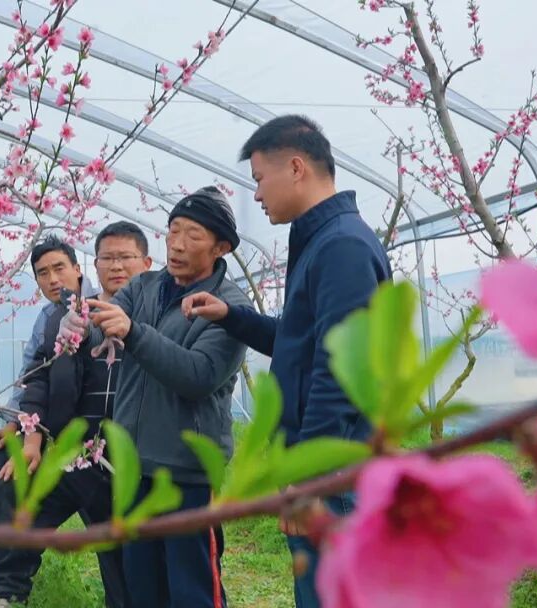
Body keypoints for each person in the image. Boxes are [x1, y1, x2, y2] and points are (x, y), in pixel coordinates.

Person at [182, 115, 392, 608]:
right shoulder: (322, 240)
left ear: (296, 168)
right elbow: (301, 343)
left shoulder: (341, 246)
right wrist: (232, 316)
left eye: (259, 178)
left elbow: (339, 371)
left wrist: (310, 476)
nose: (256, 194)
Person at [82, 187, 252, 608]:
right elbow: (105, 327)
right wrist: (84, 323)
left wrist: (133, 333)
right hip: (133, 468)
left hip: (186, 474)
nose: (176, 244)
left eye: (192, 235)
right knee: (143, 588)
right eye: (173, 230)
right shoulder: (145, 286)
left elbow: (198, 375)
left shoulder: (230, 307)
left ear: (221, 247)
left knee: (192, 590)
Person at [0, 222, 152, 608]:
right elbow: (39, 378)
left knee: (123, 561)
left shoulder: (156, 317)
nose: (116, 266)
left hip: (130, 458)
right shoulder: (68, 318)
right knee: (20, 496)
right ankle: (7, 594)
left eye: (125, 257)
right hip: (76, 450)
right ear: (94, 265)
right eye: (108, 258)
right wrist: (32, 438)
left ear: (146, 263)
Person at [0, 235, 94, 526]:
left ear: (77, 269)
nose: (53, 279)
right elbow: (30, 374)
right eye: (43, 273)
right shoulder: (47, 316)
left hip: (90, 434)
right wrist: (15, 423)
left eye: (59, 268)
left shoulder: (101, 306)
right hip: (48, 426)